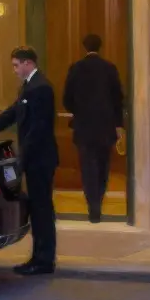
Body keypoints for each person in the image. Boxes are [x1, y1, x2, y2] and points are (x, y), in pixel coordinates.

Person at [0, 46, 58, 276]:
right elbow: (13, 112)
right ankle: (40, 257)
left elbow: (38, 129)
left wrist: (22, 159)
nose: (14, 70)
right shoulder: (31, 86)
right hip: (36, 158)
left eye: (16, 65)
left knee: (41, 209)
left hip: (40, 159)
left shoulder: (41, 88)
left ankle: (44, 260)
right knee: (38, 208)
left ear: (28, 63)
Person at [61, 33, 125, 224]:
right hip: (105, 127)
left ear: (84, 47)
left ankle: (93, 206)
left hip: (84, 127)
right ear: (100, 47)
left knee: (88, 167)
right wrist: (118, 124)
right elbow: (118, 100)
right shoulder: (109, 69)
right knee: (103, 166)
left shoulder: (76, 69)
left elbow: (67, 99)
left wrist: (78, 112)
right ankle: (100, 198)